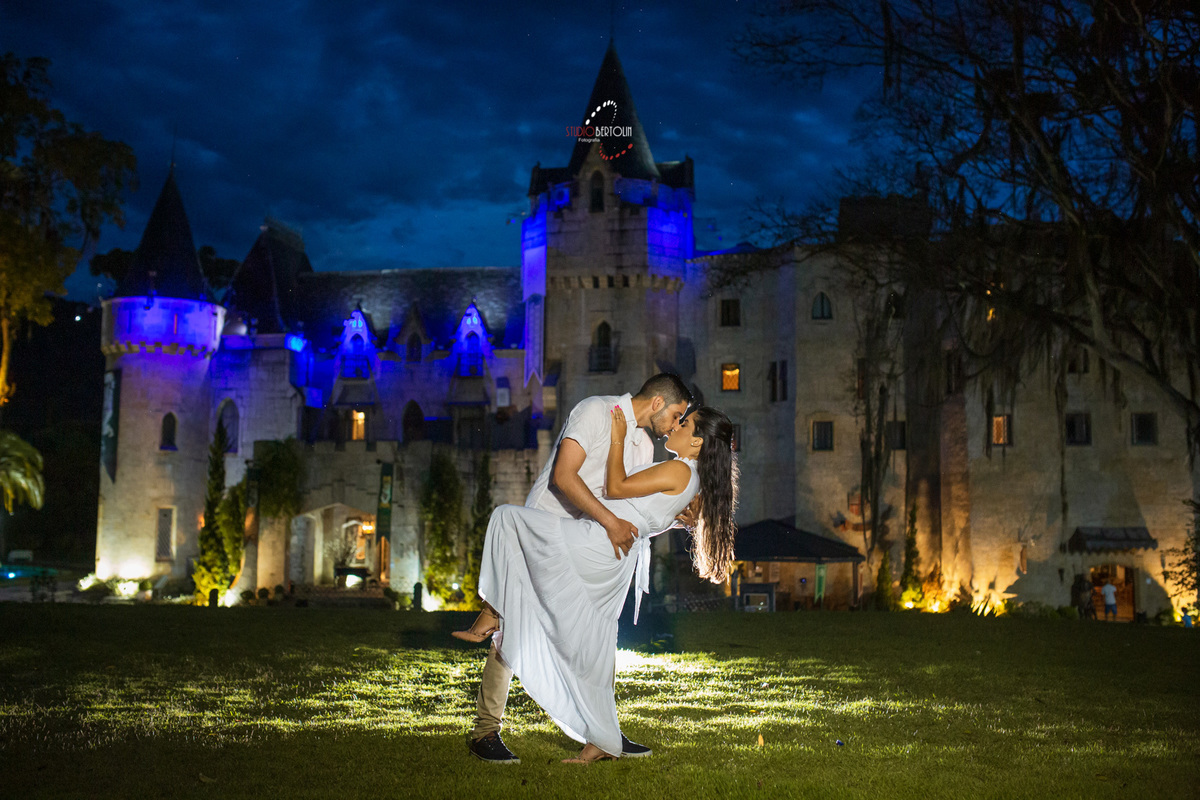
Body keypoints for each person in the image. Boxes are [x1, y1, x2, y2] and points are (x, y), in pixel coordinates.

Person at [455, 405, 738, 763]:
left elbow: (617, 487)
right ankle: (602, 739)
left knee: (506, 520)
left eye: (685, 423)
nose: (677, 426)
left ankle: (495, 610)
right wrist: (681, 522)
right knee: (593, 644)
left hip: (599, 546)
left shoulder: (681, 469)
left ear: (696, 441)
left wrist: (617, 439)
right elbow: (649, 516)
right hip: (616, 558)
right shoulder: (692, 480)